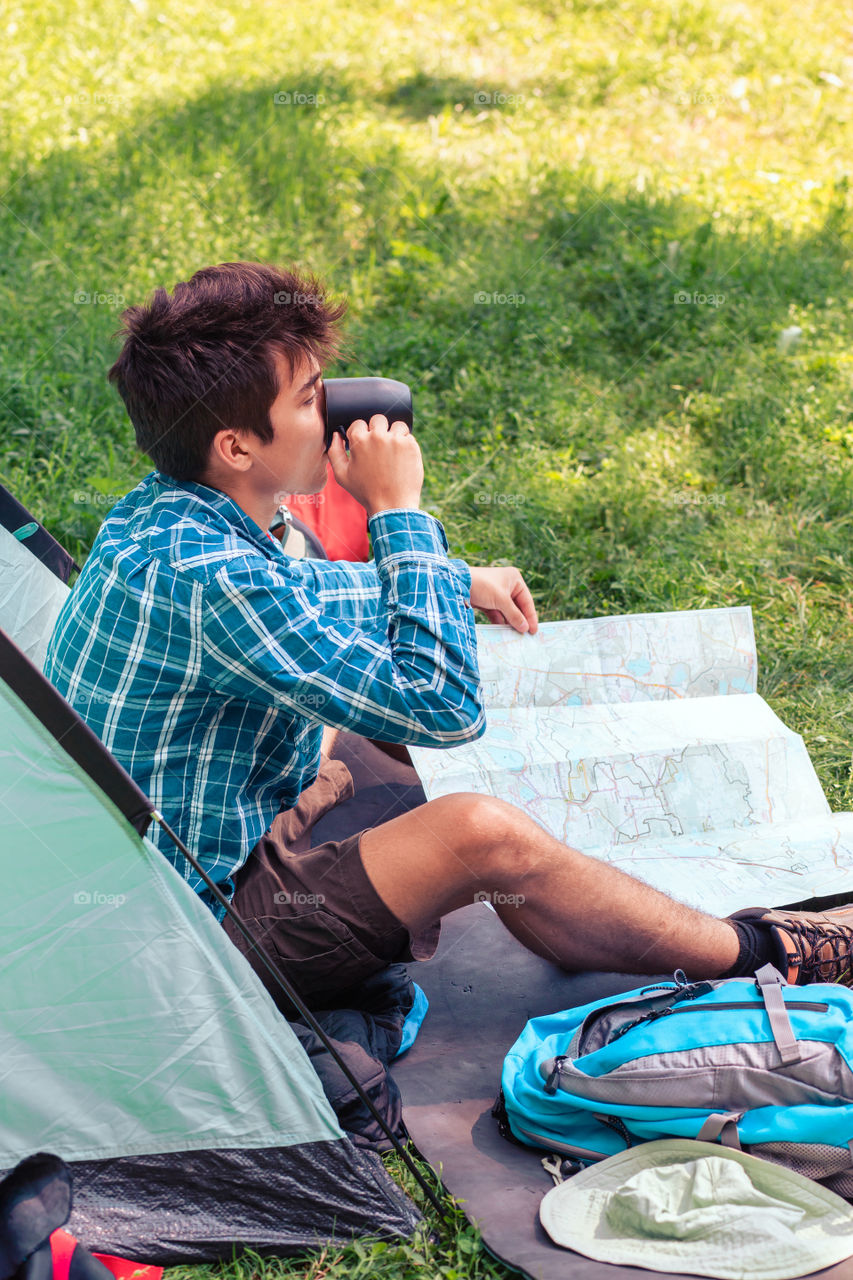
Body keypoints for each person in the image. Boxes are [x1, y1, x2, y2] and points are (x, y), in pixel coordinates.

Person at [43, 261, 853, 1018]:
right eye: (309, 397)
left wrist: (456, 580)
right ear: (236, 445)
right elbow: (442, 708)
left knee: (378, 721)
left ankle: (548, 906)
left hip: (168, 852)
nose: (337, 411)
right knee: (477, 828)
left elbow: (295, 592)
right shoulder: (212, 578)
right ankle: (766, 947)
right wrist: (398, 515)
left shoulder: (166, 513)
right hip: (184, 938)